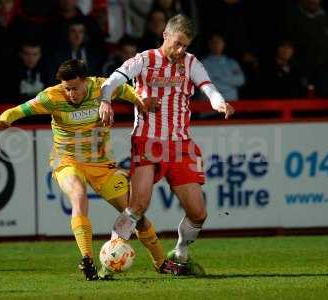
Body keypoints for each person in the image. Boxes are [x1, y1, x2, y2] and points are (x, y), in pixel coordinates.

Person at [0, 59, 183, 281]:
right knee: (78, 195)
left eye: (75, 88)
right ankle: (87, 259)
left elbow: (128, 90)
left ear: (86, 81)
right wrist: (5, 119)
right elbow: (19, 110)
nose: (71, 93)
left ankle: (161, 262)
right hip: (67, 160)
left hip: (102, 164)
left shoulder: (103, 88)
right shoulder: (51, 97)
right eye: (67, 89)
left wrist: (141, 102)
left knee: (135, 216)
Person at [99, 14, 234, 275]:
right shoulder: (144, 60)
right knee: (138, 205)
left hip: (180, 145)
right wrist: (106, 100)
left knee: (198, 213)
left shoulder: (190, 62)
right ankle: (110, 257)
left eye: (186, 45)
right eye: (177, 43)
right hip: (147, 141)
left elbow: (208, 87)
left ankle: (181, 254)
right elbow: (114, 80)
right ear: (165, 36)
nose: (181, 50)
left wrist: (219, 102)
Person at [201, 33, 245, 100]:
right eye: (213, 42)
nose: (216, 45)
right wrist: (230, 83)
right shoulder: (203, 63)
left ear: (223, 44)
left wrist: (218, 77)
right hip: (210, 104)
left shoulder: (232, 63)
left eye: (219, 42)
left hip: (231, 102)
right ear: (209, 44)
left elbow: (240, 80)